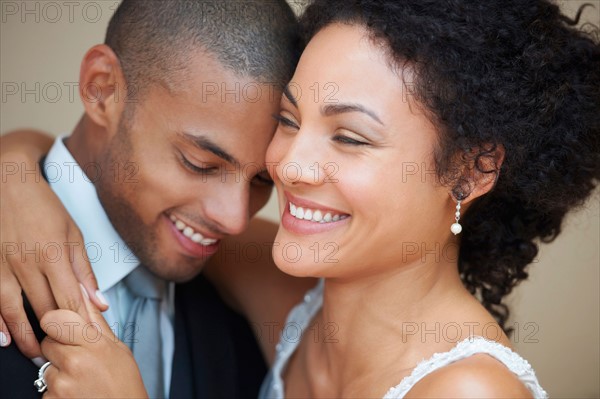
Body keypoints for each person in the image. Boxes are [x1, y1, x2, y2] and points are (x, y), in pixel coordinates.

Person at [3, 0, 599, 397]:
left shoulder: (467, 390)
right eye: (289, 119)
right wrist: (17, 174)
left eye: (349, 136)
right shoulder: (282, 286)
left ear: (472, 170)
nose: (287, 164)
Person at [0, 0, 316, 398]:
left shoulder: (247, 318)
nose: (235, 220)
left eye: (261, 181)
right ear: (103, 89)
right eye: (199, 163)